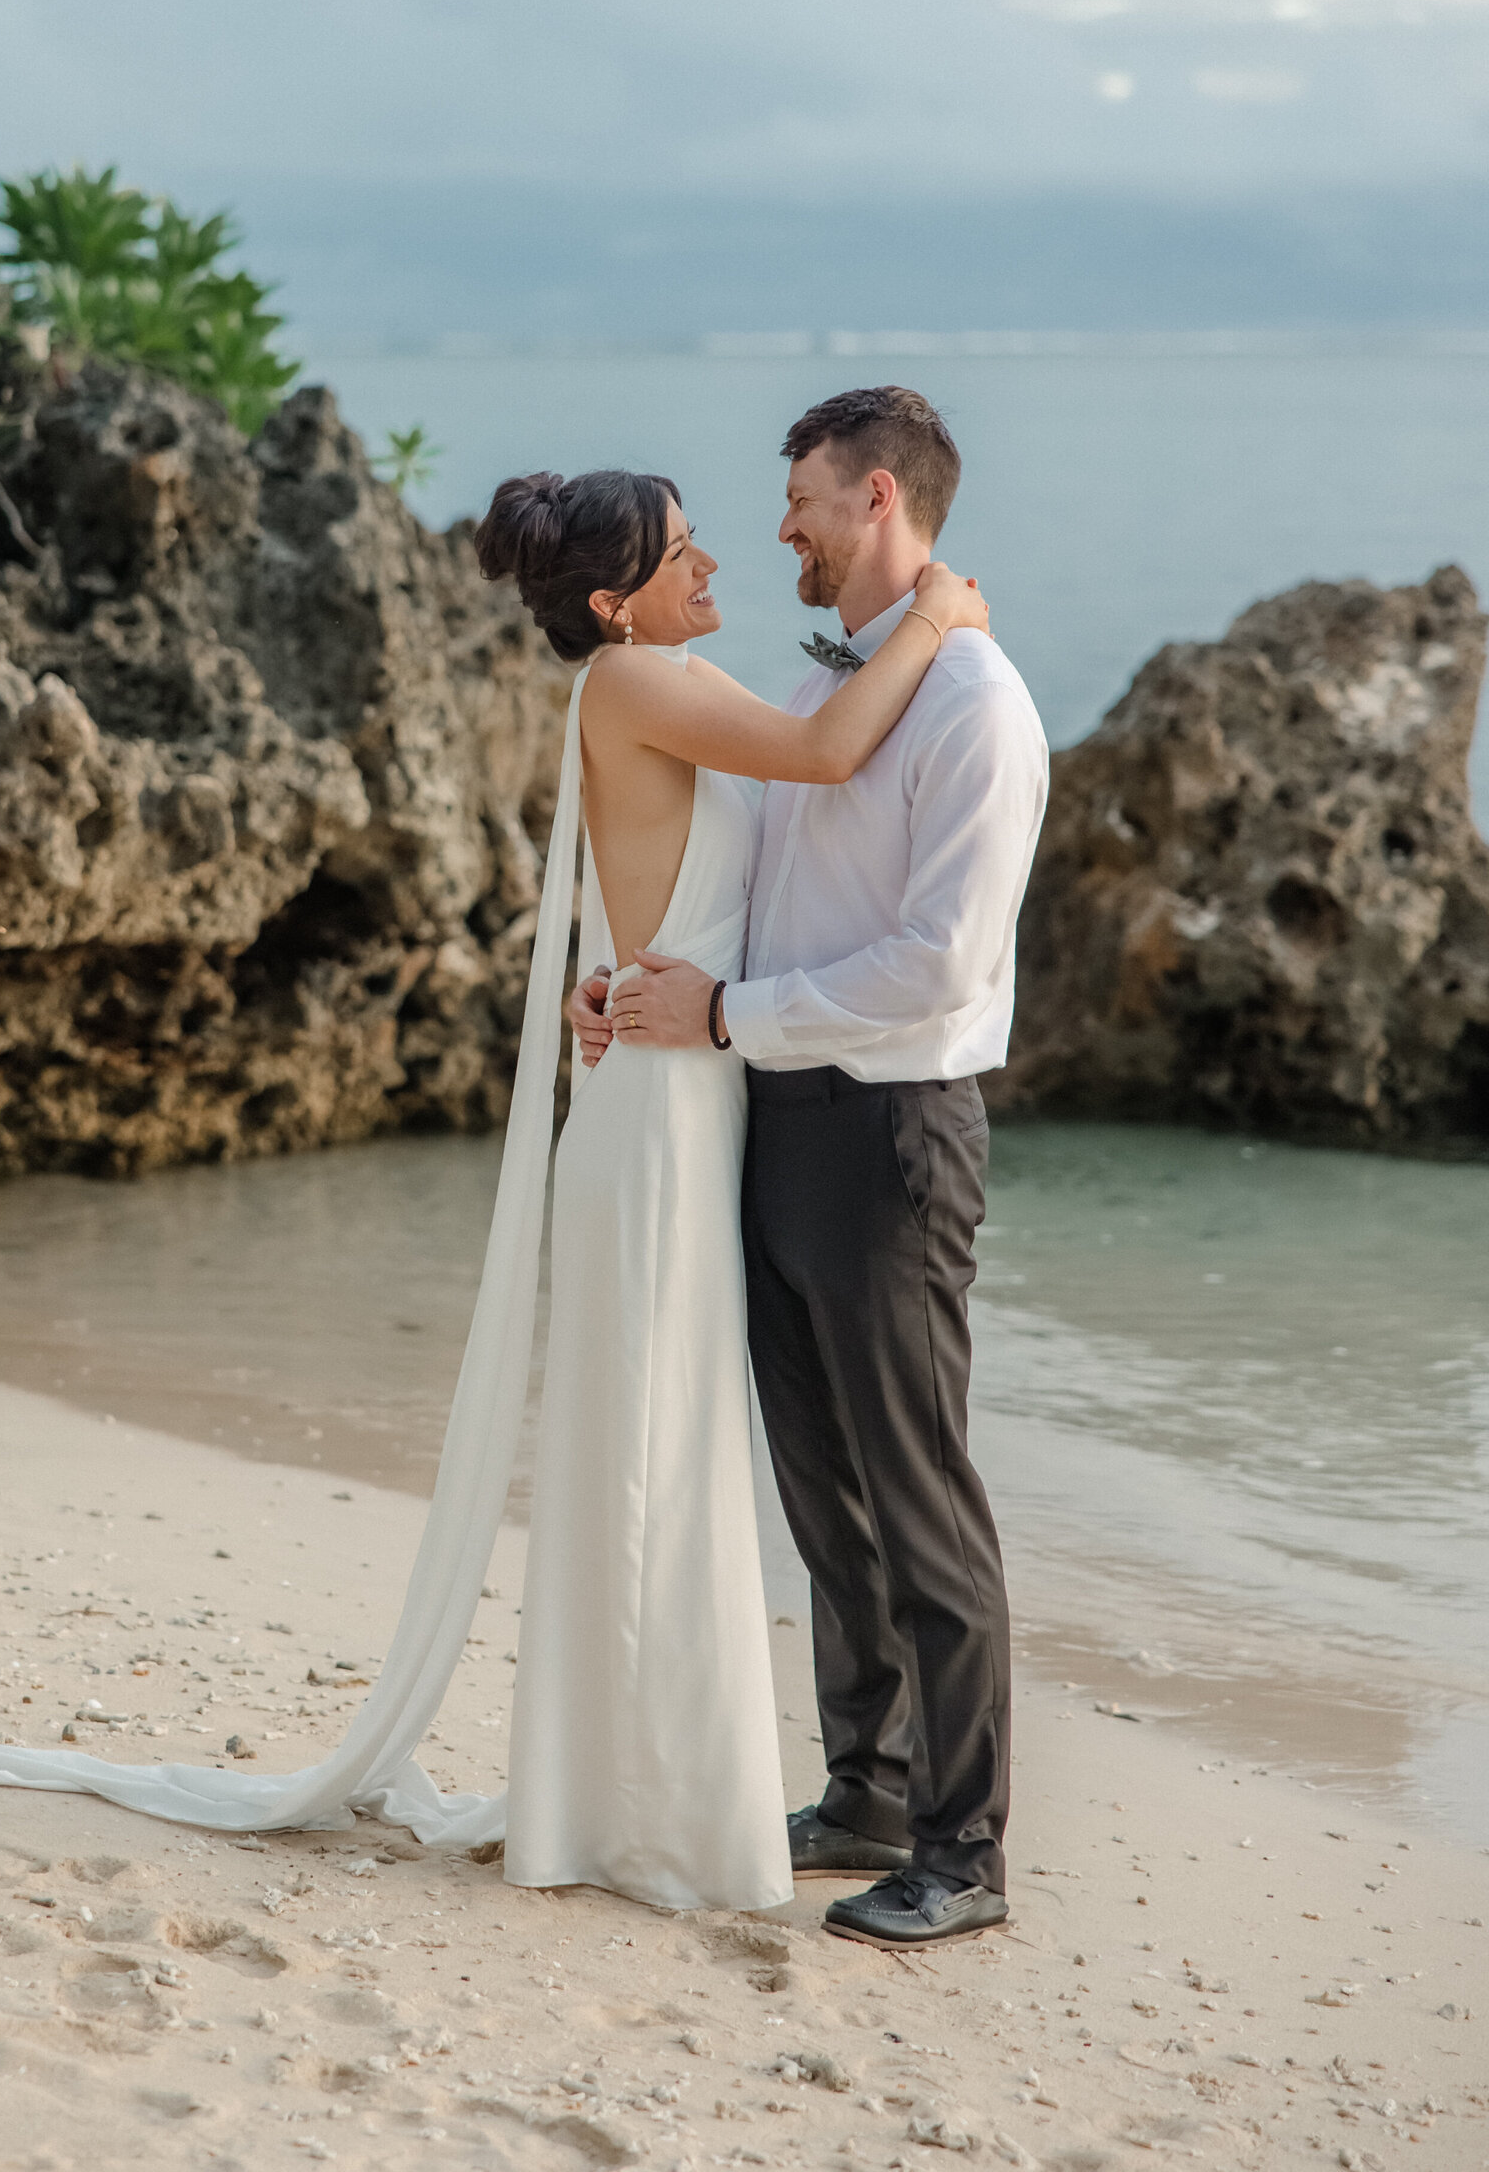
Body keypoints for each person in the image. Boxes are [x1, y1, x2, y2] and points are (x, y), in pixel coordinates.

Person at [0, 458, 987, 1918]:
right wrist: (936, 615)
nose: (714, 562)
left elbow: (716, 869)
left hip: (690, 1094)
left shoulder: (675, 680)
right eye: (681, 553)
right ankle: (644, 1810)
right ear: (614, 602)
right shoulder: (632, 686)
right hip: (662, 1121)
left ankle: (664, 1791)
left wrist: (611, 984)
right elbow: (831, 755)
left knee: (670, 1458)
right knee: (649, 1462)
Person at [573, 388, 1049, 1948]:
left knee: (922, 1497)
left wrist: (728, 1014)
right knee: (821, 1490)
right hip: (774, 1122)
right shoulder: (818, 678)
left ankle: (964, 1856)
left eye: (802, 499)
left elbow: (936, 967)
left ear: (883, 502)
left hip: (897, 1135)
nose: (778, 523)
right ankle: (868, 1789)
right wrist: (652, 996)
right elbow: (745, 888)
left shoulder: (977, 706)